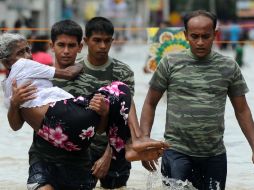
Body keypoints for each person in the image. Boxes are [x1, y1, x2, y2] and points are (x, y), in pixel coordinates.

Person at [3, 22, 168, 190]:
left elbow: (103, 128)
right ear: (51, 46)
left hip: (78, 161)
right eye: (61, 45)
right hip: (43, 158)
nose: (66, 51)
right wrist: (15, 104)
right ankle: (135, 142)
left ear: (80, 46)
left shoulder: (92, 83)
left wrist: (104, 117)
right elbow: (16, 126)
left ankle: (133, 144)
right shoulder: (37, 78)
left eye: (71, 45)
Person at [140, 10, 254, 190]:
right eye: (194, 36)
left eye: (205, 36)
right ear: (185, 35)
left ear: (215, 35)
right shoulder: (170, 63)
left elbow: (242, 110)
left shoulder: (228, 66)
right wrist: (144, 140)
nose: (200, 42)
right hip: (176, 152)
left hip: (214, 155)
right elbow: (150, 103)